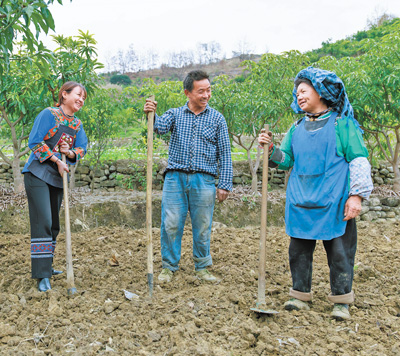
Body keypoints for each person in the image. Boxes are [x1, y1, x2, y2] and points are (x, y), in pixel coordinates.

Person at [258, 67, 373, 320]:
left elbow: (359, 160)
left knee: (340, 254)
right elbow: (286, 160)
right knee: (298, 252)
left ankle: (341, 301)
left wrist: (357, 196)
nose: (298, 96)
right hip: (300, 202)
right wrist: (270, 151)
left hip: (335, 202)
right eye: (296, 92)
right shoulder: (296, 127)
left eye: (303, 90)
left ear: (320, 91)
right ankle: (300, 296)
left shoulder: (342, 125)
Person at [144, 70, 233, 283]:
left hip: (204, 180)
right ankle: (169, 267)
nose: (206, 95)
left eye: (208, 90)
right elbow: (157, 128)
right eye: (200, 91)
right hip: (175, 177)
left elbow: (225, 152)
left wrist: (225, 184)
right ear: (188, 92)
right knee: (171, 223)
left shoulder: (217, 118)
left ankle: (202, 267)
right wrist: (150, 114)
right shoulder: (175, 114)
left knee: (202, 225)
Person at [23, 81, 88, 292]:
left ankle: (47, 267)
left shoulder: (77, 125)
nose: (81, 100)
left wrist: (68, 153)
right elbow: (34, 142)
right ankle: (41, 275)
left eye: (84, 98)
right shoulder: (49, 114)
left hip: (58, 177)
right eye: (78, 95)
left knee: (54, 226)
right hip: (38, 173)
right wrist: (57, 160)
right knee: (44, 220)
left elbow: (82, 148)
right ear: (64, 95)